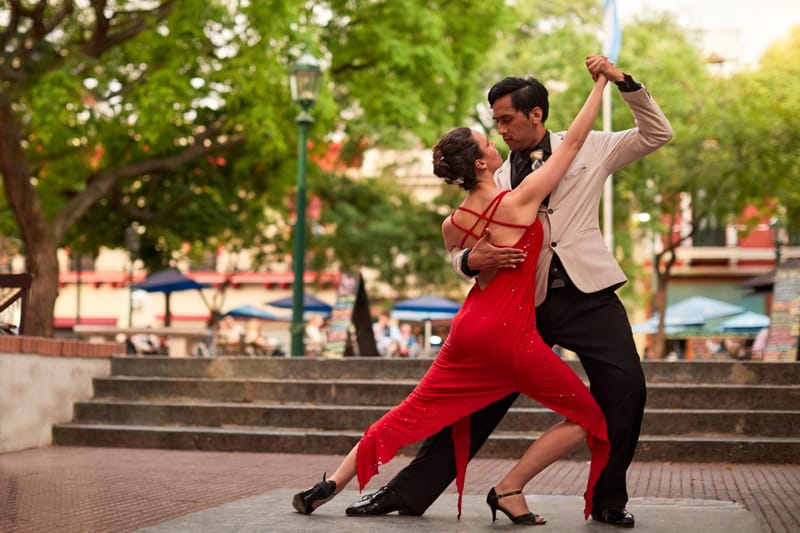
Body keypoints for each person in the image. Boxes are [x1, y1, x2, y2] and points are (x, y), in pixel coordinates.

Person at [347, 56, 673, 528]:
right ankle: (407, 492)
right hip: (520, 304)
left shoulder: (591, 146)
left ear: (535, 114)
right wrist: (467, 261)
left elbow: (657, 133)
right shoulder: (494, 173)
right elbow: (462, 242)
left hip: (589, 294)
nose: (499, 129)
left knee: (626, 389)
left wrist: (626, 84)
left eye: (506, 119)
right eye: (494, 121)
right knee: (475, 401)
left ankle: (608, 499)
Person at [292, 61, 610, 525]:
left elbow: (464, 261)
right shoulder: (519, 202)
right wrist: (602, 83)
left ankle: (331, 483)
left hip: (466, 334)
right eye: (487, 141)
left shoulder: (453, 224)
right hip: (511, 338)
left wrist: (471, 260)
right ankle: (510, 488)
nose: (495, 138)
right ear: (481, 163)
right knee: (588, 418)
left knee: (408, 412)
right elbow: (576, 140)